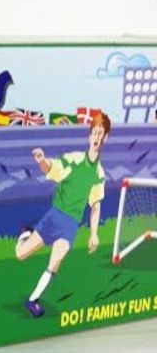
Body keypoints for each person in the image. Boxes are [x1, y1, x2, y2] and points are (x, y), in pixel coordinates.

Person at [15, 111, 110, 317]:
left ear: (106, 138)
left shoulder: (99, 174)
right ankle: (25, 234)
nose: (97, 137)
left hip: (70, 225)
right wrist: (42, 161)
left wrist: (94, 234)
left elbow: (95, 206)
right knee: (20, 255)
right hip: (54, 216)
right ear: (89, 136)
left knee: (55, 262)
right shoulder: (74, 159)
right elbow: (52, 167)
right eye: (94, 132)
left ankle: (32, 300)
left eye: (101, 133)